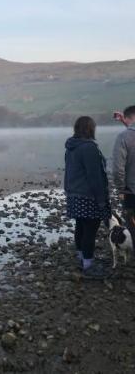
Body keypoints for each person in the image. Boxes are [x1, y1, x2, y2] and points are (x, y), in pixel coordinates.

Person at [66, 116, 109, 275]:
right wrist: (102, 201)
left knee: (81, 226)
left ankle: (81, 257)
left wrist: (68, 191)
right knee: (90, 230)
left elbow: (69, 172)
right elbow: (95, 177)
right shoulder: (89, 147)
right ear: (91, 129)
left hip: (74, 194)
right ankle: (88, 266)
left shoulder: (71, 146)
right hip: (88, 196)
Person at [114, 105, 135, 229]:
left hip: (131, 192)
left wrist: (121, 189)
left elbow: (118, 168)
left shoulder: (123, 137)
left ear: (127, 118)